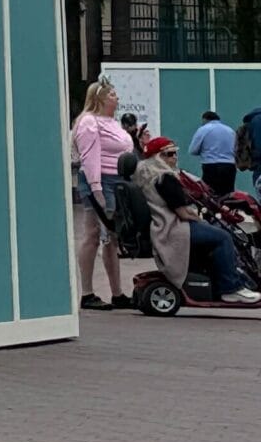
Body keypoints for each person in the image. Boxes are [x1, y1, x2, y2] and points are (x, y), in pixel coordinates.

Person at [133, 136, 261, 304]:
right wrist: (201, 219)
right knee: (223, 237)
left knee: (214, 235)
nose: (175, 158)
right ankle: (231, 288)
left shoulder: (146, 177)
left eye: (175, 153)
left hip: (163, 226)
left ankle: (219, 281)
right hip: (175, 228)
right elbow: (183, 213)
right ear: (158, 158)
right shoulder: (165, 179)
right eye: (170, 154)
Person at [71, 79, 130, 309]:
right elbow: (90, 157)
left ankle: (117, 292)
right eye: (113, 94)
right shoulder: (89, 122)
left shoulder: (112, 123)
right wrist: (97, 189)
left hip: (117, 180)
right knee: (93, 233)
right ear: (101, 98)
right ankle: (87, 293)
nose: (117, 98)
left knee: (112, 237)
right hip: (100, 180)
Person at [189, 110, 239, 198]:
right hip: (229, 166)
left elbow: (193, 150)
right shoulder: (230, 130)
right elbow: (237, 149)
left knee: (210, 195)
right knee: (228, 196)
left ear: (205, 119)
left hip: (211, 166)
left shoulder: (203, 129)